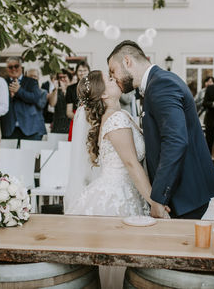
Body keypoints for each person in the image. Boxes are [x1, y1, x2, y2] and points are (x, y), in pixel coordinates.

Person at [108, 40, 214, 219]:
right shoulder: (157, 82)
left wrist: (159, 198)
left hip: (183, 194)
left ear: (127, 61)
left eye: (113, 71)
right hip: (179, 192)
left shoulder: (161, 85)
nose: (113, 78)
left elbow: (175, 140)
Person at [65, 71, 156, 289]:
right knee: (116, 266)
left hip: (123, 190)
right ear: (103, 94)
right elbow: (132, 165)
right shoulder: (115, 119)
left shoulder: (119, 114)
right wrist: (155, 202)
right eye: (109, 79)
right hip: (116, 198)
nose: (115, 78)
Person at [0, 59, 47, 142]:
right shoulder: (2, 82)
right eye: (10, 67)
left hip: (29, 128)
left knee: (30, 155)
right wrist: (10, 96)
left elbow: (35, 98)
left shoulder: (31, 82)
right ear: (7, 69)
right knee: (9, 155)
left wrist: (19, 91)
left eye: (16, 66)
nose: (13, 69)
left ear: (21, 67)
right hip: (9, 128)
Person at [66, 61, 90, 140]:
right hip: (76, 121)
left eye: (85, 70)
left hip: (91, 122)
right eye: (80, 70)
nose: (82, 73)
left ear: (89, 71)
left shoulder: (93, 88)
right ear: (76, 72)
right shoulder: (70, 89)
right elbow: (69, 112)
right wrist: (80, 118)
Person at [49, 69, 72, 134]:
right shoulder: (56, 91)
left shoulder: (73, 90)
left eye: (64, 77)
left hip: (69, 126)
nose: (62, 79)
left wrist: (65, 90)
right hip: (57, 126)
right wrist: (55, 89)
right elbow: (52, 104)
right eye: (60, 77)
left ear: (69, 78)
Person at [202, 77, 214, 157]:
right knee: (208, 142)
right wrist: (212, 104)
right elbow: (204, 103)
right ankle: (207, 160)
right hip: (210, 119)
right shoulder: (209, 89)